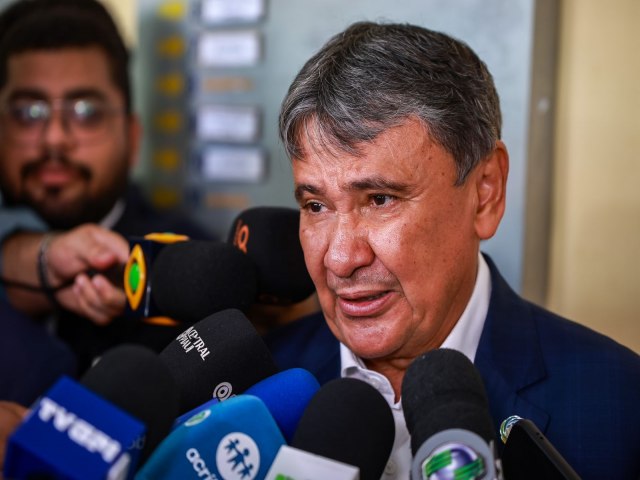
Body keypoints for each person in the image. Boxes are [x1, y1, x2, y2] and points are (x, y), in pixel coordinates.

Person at [265, 21, 640, 479]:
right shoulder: (256, 386)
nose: (340, 259)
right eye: (316, 206)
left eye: (380, 199)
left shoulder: (621, 407)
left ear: (485, 193)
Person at [0, 0, 213, 379]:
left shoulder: (188, 274)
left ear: (133, 138)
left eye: (86, 112)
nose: (54, 139)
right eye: (28, 113)